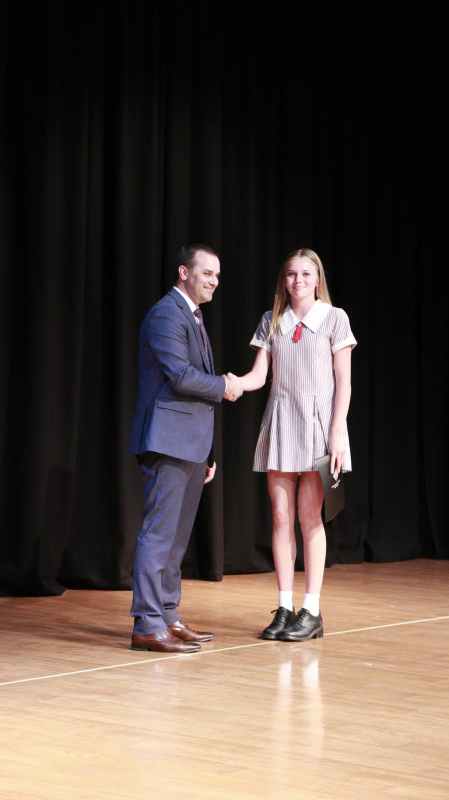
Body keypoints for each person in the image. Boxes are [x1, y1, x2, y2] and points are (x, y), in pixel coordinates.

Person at [227, 248, 356, 642]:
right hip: (282, 421)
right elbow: (259, 376)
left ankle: (311, 611)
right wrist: (233, 384)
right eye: (291, 275)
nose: (298, 281)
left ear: (317, 279)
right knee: (281, 515)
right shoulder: (272, 320)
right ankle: (285, 607)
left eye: (305, 274)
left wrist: (337, 430)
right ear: (283, 280)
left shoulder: (334, 318)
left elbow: (344, 382)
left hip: (319, 426)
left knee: (309, 516)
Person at [129, 244, 243, 653]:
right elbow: (180, 376)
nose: (214, 281)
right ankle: (146, 623)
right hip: (167, 440)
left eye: (217, 275)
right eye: (207, 273)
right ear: (183, 272)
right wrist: (225, 385)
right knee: (159, 534)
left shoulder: (193, 315)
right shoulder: (166, 313)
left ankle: (167, 615)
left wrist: (207, 451)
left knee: (176, 539)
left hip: (190, 444)